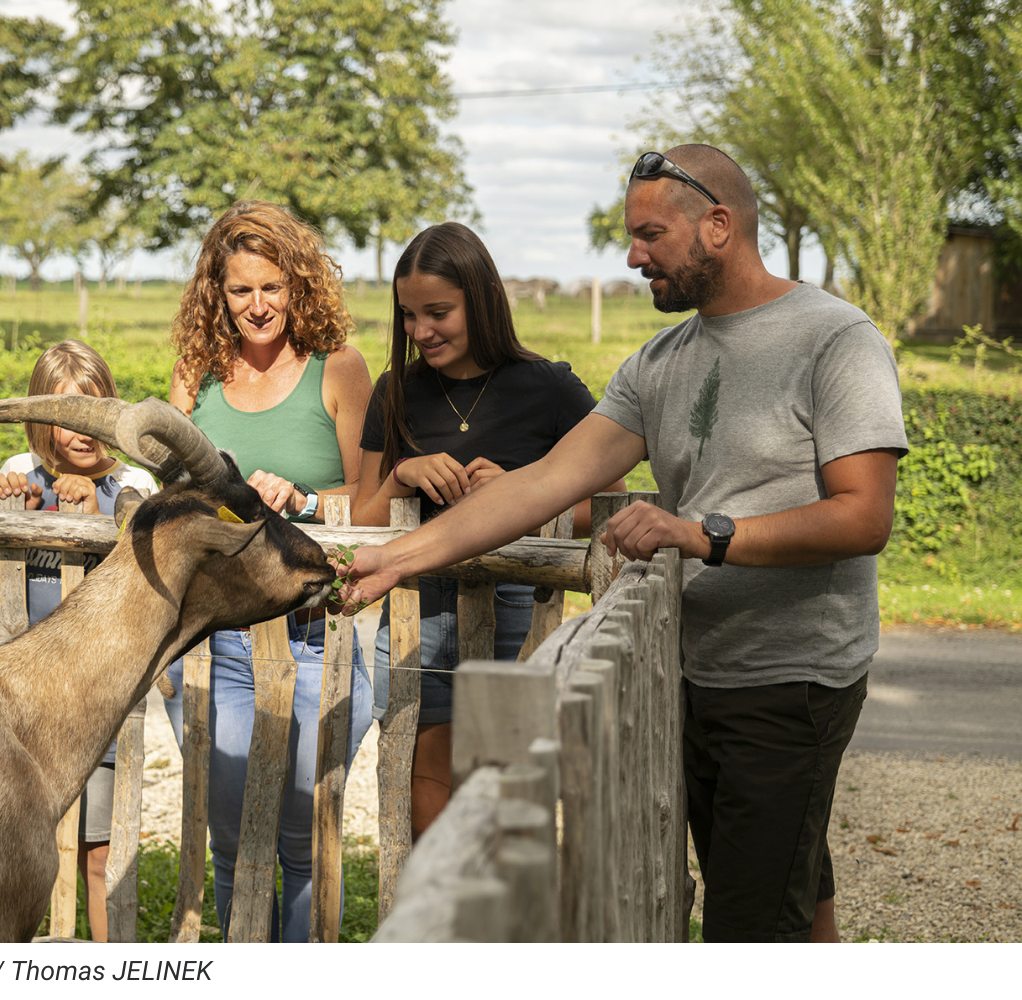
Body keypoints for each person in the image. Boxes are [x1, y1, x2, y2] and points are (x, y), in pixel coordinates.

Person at [336, 145, 907, 943]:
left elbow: (862, 517)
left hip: (791, 676)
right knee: (789, 884)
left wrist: (701, 533)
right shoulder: (659, 363)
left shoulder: (834, 340)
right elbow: (542, 483)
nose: (633, 256)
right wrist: (390, 559)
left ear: (718, 224)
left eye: (649, 235)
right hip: (694, 667)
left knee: (748, 927)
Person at [352, 221, 618, 838]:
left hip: (520, 612)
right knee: (430, 784)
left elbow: (607, 510)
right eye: (409, 316)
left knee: (505, 790)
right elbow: (364, 520)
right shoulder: (395, 392)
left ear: (482, 298)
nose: (421, 332)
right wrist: (402, 477)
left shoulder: (549, 387)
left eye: (438, 312)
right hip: (420, 614)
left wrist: (520, 497)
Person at [159, 199, 374, 942]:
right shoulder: (198, 375)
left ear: (300, 285)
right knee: (230, 845)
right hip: (219, 646)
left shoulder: (338, 369)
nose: (258, 306)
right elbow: (163, 486)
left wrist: (306, 498)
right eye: (241, 289)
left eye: (272, 287)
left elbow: (374, 496)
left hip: (317, 638)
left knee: (304, 846)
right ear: (216, 294)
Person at [0, 339, 158, 943]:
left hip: (100, 690)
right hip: (23, 693)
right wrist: (12, 516)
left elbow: (142, 576)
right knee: (20, 845)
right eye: (64, 415)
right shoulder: (19, 474)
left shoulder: (134, 482)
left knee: (94, 848)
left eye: (93, 410)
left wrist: (101, 519)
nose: (80, 429)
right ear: (39, 419)